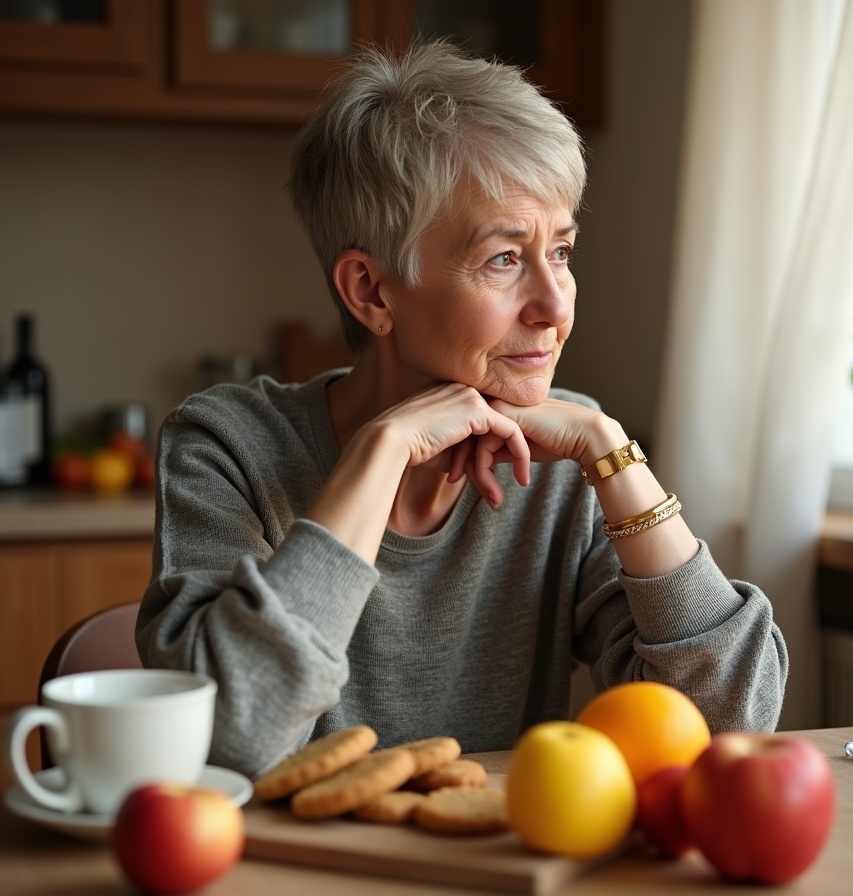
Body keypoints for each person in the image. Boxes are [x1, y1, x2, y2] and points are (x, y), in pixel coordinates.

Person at [136, 41, 788, 779]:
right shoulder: (224, 448)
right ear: (372, 293)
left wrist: (612, 451)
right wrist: (379, 455)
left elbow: (728, 722)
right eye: (505, 259)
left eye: (563, 252)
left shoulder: (568, 457)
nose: (555, 307)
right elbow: (225, 740)